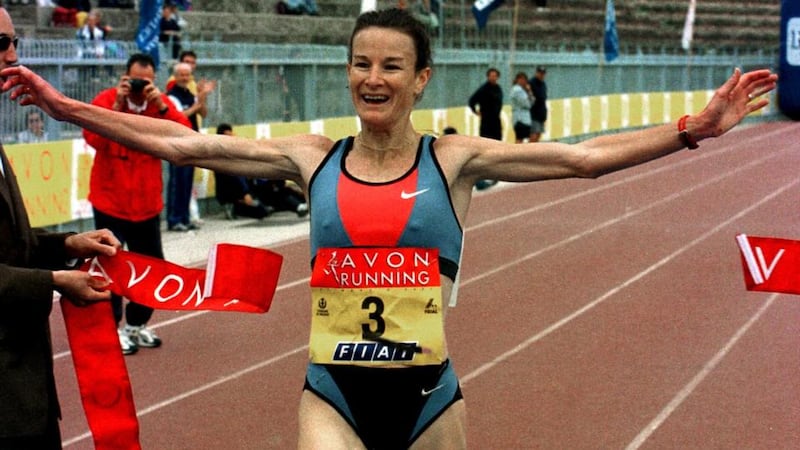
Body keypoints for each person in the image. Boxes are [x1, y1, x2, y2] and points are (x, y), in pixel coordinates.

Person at [3, 7, 778, 448]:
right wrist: (65, 106)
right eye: (361, 64)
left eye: (391, 66)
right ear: (349, 73)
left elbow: (581, 161)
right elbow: (182, 142)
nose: (373, 78)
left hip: (431, 392)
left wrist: (692, 130)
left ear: (420, 78)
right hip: (331, 391)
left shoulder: (458, 159)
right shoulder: (311, 158)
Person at [0, 7, 121, 448]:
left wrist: (69, 242)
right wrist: (56, 281)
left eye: (14, 42)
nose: (12, 54)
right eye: (1, 44)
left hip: (24, 386)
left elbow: (14, 247)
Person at [82, 53, 191, 355]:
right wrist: (117, 105)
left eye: (147, 81)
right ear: (125, 78)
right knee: (111, 268)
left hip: (146, 204)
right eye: (136, 80)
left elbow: (184, 136)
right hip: (110, 201)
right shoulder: (107, 100)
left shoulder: (162, 107)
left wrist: (162, 106)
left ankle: (136, 324)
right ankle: (113, 328)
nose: (141, 87)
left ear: (155, 80)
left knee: (153, 268)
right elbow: (92, 138)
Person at [165, 61, 214, 231]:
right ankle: (174, 218)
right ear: (176, 76)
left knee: (187, 182)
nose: (185, 78)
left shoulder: (190, 94)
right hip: (177, 144)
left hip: (191, 142)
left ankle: (185, 218)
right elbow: (179, 115)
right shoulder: (171, 96)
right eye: (182, 75)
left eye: (187, 75)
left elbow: (203, 112)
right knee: (177, 182)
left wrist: (202, 97)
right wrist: (197, 104)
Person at [213, 123, 274, 220]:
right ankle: (233, 207)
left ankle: (245, 204)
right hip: (230, 192)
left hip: (242, 190)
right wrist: (244, 194)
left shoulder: (233, 152)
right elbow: (233, 178)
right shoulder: (219, 156)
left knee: (263, 208)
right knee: (260, 211)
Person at [469, 67, 503, 190]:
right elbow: (472, 101)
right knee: (486, 148)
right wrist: (476, 112)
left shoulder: (498, 88)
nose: (493, 77)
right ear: (488, 76)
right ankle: (486, 173)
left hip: (496, 121)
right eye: (491, 75)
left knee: (498, 146)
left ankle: (496, 172)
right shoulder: (483, 89)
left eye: (495, 76)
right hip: (486, 123)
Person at [510, 71, 532, 144]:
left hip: (522, 118)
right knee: (520, 139)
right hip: (521, 119)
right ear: (517, 80)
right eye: (521, 79)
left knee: (521, 138)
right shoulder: (518, 90)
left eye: (524, 79)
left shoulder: (522, 90)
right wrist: (529, 94)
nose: (523, 81)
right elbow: (527, 104)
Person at [528, 65, 548, 143]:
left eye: (543, 73)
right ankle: (529, 153)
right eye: (540, 73)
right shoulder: (531, 83)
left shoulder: (543, 84)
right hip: (533, 114)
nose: (541, 75)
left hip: (541, 113)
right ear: (536, 73)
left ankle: (534, 153)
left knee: (538, 134)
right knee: (533, 135)